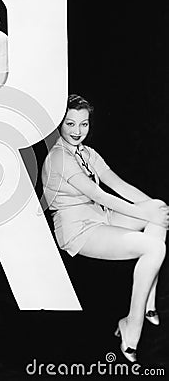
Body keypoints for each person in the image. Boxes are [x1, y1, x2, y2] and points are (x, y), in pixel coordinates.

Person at [42, 94, 168, 362]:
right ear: (58, 124)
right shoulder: (58, 158)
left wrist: (154, 208)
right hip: (78, 230)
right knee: (154, 247)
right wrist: (144, 213)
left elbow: (119, 186)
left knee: (156, 207)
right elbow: (100, 195)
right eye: (70, 124)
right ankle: (132, 325)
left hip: (101, 217)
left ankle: (149, 301)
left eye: (84, 124)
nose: (77, 131)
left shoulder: (87, 153)